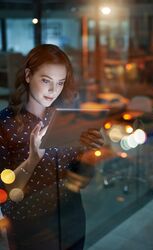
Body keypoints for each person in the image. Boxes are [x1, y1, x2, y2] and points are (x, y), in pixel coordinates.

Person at [0, 44, 104, 250]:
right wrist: (32, 159)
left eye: (60, 83)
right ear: (28, 76)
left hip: (71, 216)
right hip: (30, 227)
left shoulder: (64, 117)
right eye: (46, 80)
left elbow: (81, 178)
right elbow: (6, 191)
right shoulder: (5, 124)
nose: (53, 90)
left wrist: (91, 151)